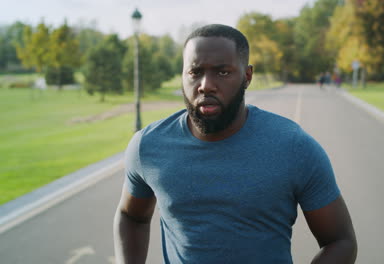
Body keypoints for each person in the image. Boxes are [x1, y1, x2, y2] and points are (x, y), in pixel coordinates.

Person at [113, 24, 357, 264]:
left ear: (247, 76)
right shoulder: (148, 146)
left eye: (223, 72)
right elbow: (131, 216)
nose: (206, 84)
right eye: (195, 72)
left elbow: (340, 241)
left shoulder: (295, 147)